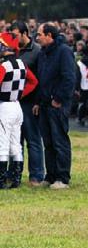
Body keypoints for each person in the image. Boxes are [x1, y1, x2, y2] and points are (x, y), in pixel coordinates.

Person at [33, 23, 76, 190]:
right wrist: (38, 101)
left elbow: (69, 78)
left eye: (39, 34)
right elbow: (40, 80)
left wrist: (58, 99)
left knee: (60, 141)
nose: (37, 38)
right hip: (44, 104)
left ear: (49, 35)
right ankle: (50, 176)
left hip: (58, 104)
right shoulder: (44, 53)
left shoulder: (64, 51)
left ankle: (62, 177)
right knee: (48, 142)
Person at [0, 33, 38, 189]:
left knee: (2, 143)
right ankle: (16, 179)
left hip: (5, 107)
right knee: (16, 143)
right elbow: (34, 81)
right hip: (17, 106)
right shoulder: (22, 64)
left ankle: (1, 181)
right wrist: (21, 93)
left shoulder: (3, 66)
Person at [10, 21, 44, 186]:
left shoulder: (37, 51)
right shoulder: (12, 50)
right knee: (15, 141)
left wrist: (38, 101)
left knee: (33, 139)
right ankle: (14, 173)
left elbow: (40, 79)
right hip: (13, 102)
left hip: (30, 102)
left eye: (16, 35)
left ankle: (36, 176)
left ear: (24, 33)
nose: (14, 38)